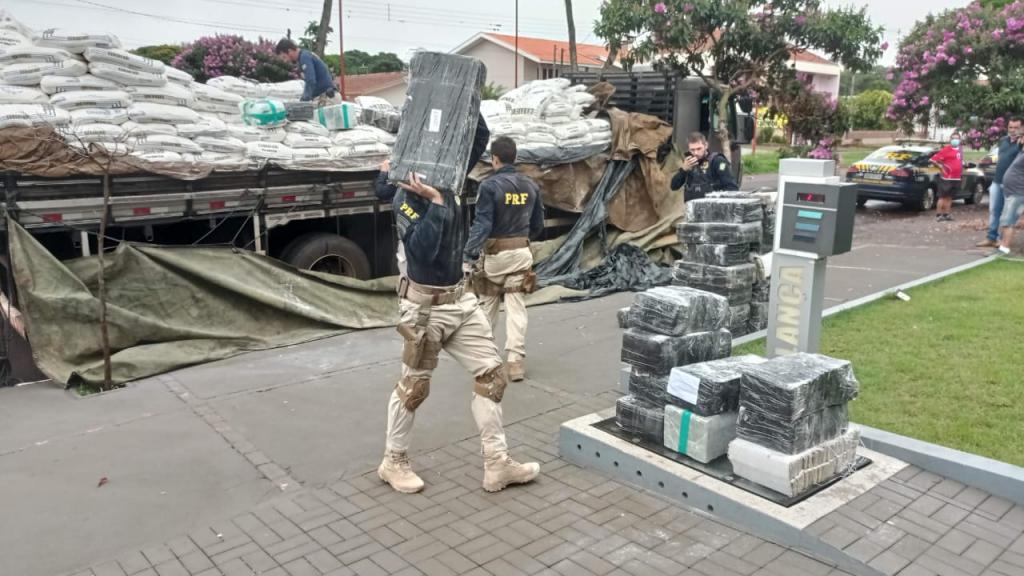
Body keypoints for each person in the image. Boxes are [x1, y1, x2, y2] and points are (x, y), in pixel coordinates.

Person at [378, 132, 538, 496]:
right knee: (414, 388)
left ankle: (497, 464)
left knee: (492, 376)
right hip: (423, 309)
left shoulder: (451, 177)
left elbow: (475, 132)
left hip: (461, 301)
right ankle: (393, 461)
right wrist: (434, 202)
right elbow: (422, 251)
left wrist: (465, 100)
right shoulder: (405, 198)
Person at [463, 137, 545, 382]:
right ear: (515, 157)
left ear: (494, 159)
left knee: (487, 304)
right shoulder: (531, 186)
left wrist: (469, 254)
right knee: (516, 305)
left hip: (495, 257)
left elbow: (483, 225)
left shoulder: (489, 187)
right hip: (521, 254)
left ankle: (486, 359)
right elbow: (538, 225)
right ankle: (515, 362)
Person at [375, 113, 491, 280]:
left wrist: (466, 102)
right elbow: (481, 137)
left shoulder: (443, 176)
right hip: (431, 274)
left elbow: (480, 137)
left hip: (446, 273)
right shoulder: (422, 181)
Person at [977, 118, 1022, 248]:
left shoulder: (1021, 143)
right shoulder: (1003, 140)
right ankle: (991, 237)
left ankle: (1002, 241)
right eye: (1010, 127)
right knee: (994, 211)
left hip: (1013, 185)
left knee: (1008, 214)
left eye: (1016, 128)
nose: (1013, 130)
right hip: (997, 181)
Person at [671, 132, 738, 201]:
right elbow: (674, 186)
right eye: (692, 150)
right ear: (688, 149)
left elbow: (732, 188)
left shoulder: (716, 161)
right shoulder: (689, 163)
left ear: (706, 145)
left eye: (699, 149)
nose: (696, 153)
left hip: (712, 205)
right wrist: (683, 170)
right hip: (692, 206)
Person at [274, 38, 339, 106]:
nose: (285, 61)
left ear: (289, 51)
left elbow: (310, 80)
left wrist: (303, 100)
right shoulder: (303, 58)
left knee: (299, 111)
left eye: (284, 57)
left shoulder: (304, 57)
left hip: (327, 98)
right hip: (324, 96)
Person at [996, 134, 1024, 255]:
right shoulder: (1021, 153)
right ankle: (1003, 245)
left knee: (1008, 220)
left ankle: (1005, 247)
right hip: (1012, 191)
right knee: (1006, 220)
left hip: (1017, 192)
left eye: (1022, 137)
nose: (1020, 139)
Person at [930, 132, 963, 222]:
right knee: (942, 196)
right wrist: (940, 167)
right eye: (953, 138)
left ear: (960, 140)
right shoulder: (946, 149)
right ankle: (938, 215)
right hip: (947, 178)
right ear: (950, 139)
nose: (955, 140)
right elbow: (933, 160)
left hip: (956, 177)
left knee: (949, 197)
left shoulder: (960, 150)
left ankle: (946, 214)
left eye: (957, 138)